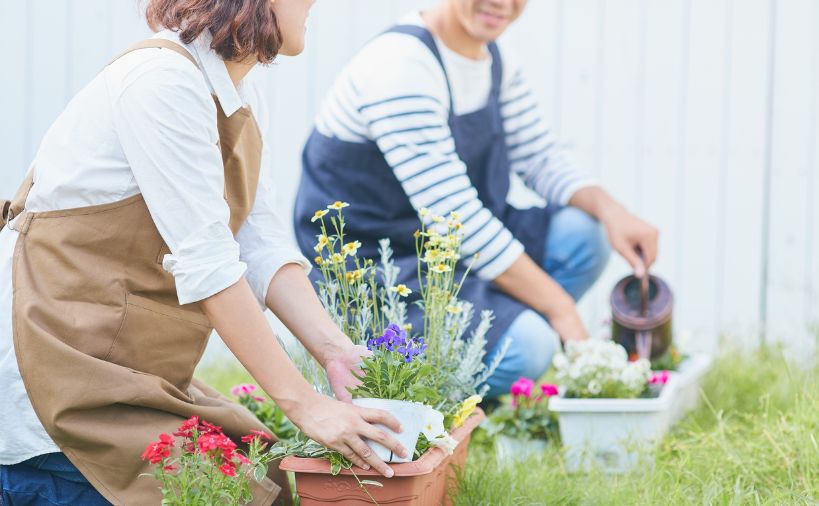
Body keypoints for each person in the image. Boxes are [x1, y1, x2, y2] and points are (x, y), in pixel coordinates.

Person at [0, 1, 407, 504]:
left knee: (272, 478)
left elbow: (257, 241)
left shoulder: (231, 88)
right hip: (55, 381)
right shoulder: (160, 82)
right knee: (234, 494)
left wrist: (334, 350)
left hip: (124, 367)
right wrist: (305, 404)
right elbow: (209, 263)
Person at [294, 0, 659, 398]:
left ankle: (497, 351)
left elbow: (540, 159)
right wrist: (561, 311)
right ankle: (431, 396)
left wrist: (613, 212)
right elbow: (457, 219)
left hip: (450, 253)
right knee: (529, 347)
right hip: (384, 271)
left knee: (585, 234)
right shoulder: (399, 67)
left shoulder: (493, 60)